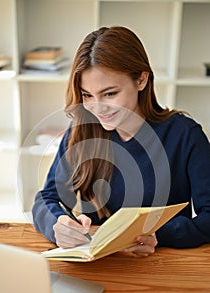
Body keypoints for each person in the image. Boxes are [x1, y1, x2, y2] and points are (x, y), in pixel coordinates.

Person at [32, 26, 210, 257]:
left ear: (141, 80)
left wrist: (159, 235)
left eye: (109, 94)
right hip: (98, 264)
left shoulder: (185, 134)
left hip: (161, 263)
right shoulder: (82, 130)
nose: (97, 107)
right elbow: (46, 198)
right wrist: (58, 225)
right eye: (87, 95)